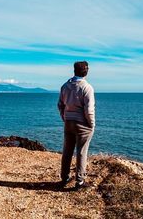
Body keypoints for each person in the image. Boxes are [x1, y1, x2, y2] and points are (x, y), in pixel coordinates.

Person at [57, 61, 95, 190]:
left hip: (68, 122)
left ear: (74, 70)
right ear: (86, 71)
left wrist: (65, 117)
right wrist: (92, 125)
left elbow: (60, 105)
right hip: (82, 124)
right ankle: (79, 182)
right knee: (81, 152)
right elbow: (89, 110)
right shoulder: (87, 87)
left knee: (67, 151)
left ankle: (64, 177)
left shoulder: (65, 86)